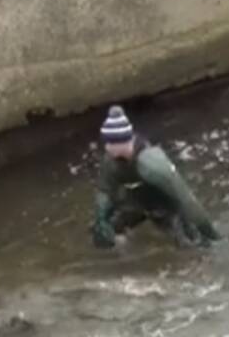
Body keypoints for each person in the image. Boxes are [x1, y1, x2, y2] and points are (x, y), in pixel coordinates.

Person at [91, 106, 222, 249]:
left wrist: (211, 234)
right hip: (137, 202)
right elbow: (104, 188)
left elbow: (186, 199)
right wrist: (101, 217)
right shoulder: (111, 160)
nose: (106, 147)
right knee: (101, 232)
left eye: (109, 143)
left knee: (189, 246)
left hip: (167, 207)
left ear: (120, 143)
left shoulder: (151, 163)